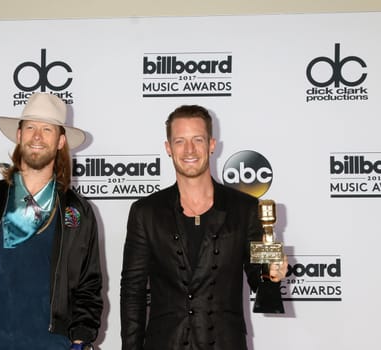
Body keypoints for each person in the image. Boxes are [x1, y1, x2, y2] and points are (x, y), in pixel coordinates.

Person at [120, 104, 288, 350]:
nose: (189, 150)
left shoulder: (245, 209)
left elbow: (258, 279)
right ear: (168, 148)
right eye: (180, 141)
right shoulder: (146, 212)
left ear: (211, 144)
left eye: (197, 139)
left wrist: (272, 276)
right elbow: (132, 292)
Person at [0, 93, 103, 350]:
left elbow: (89, 286)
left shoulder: (77, 210)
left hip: (52, 344)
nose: (37, 136)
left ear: (60, 141)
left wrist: (80, 340)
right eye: (30, 127)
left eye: (47, 129)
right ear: (19, 136)